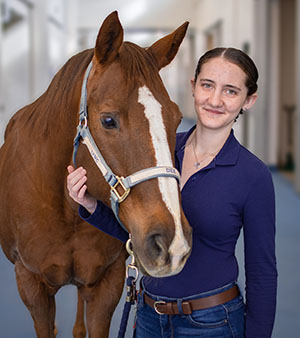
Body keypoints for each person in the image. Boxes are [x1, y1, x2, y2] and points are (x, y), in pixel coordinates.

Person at [67, 47, 277, 338]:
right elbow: (137, 236)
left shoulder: (253, 175)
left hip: (212, 322)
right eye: (207, 85)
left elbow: (262, 273)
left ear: (248, 100)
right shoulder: (161, 151)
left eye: (230, 91)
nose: (215, 100)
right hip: (150, 315)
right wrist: (90, 205)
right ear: (193, 87)